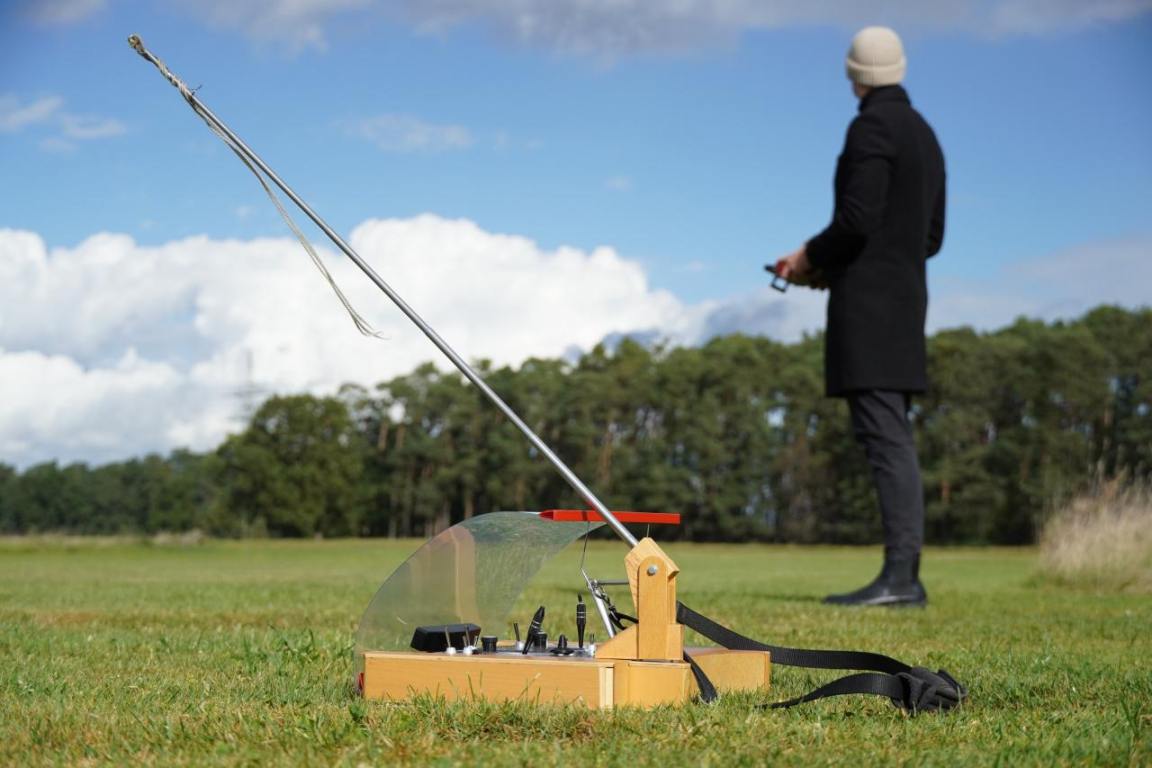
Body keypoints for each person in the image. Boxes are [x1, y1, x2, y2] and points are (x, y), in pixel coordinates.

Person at [776, 26, 945, 607]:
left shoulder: (871, 127)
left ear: (854, 74)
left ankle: (901, 578)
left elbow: (856, 218)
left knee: (885, 440)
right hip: (907, 301)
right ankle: (902, 574)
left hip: (870, 308)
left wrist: (808, 258)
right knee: (892, 434)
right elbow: (930, 237)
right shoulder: (925, 134)